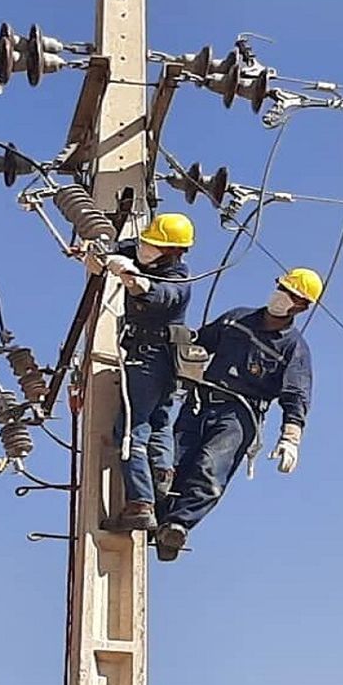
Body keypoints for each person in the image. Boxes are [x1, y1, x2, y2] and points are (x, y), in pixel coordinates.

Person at [155, 267, 321, 561]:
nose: (281, 296)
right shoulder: (237, 318)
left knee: (209, 468)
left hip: (239, 414)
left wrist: (291, 438)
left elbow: (295, 395)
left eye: (291, 294)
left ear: (302, 306)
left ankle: (177, 526)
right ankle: (157, 516)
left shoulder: (294, 347)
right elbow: (200, 342)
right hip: (200, 402)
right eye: (282, 287)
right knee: (171, 462)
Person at [86, 213, 195, 533]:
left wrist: (130, 277)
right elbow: (121, 249)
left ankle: (141, 504)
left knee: (132, 430)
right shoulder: (146, 253)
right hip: (167, 360)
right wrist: (97, 255)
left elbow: (153, 292)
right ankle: (161, 475)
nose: (144, 247)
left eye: (153, 244)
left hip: (150, 360)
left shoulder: (178, 279)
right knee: (160, 422)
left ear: (172, 252)